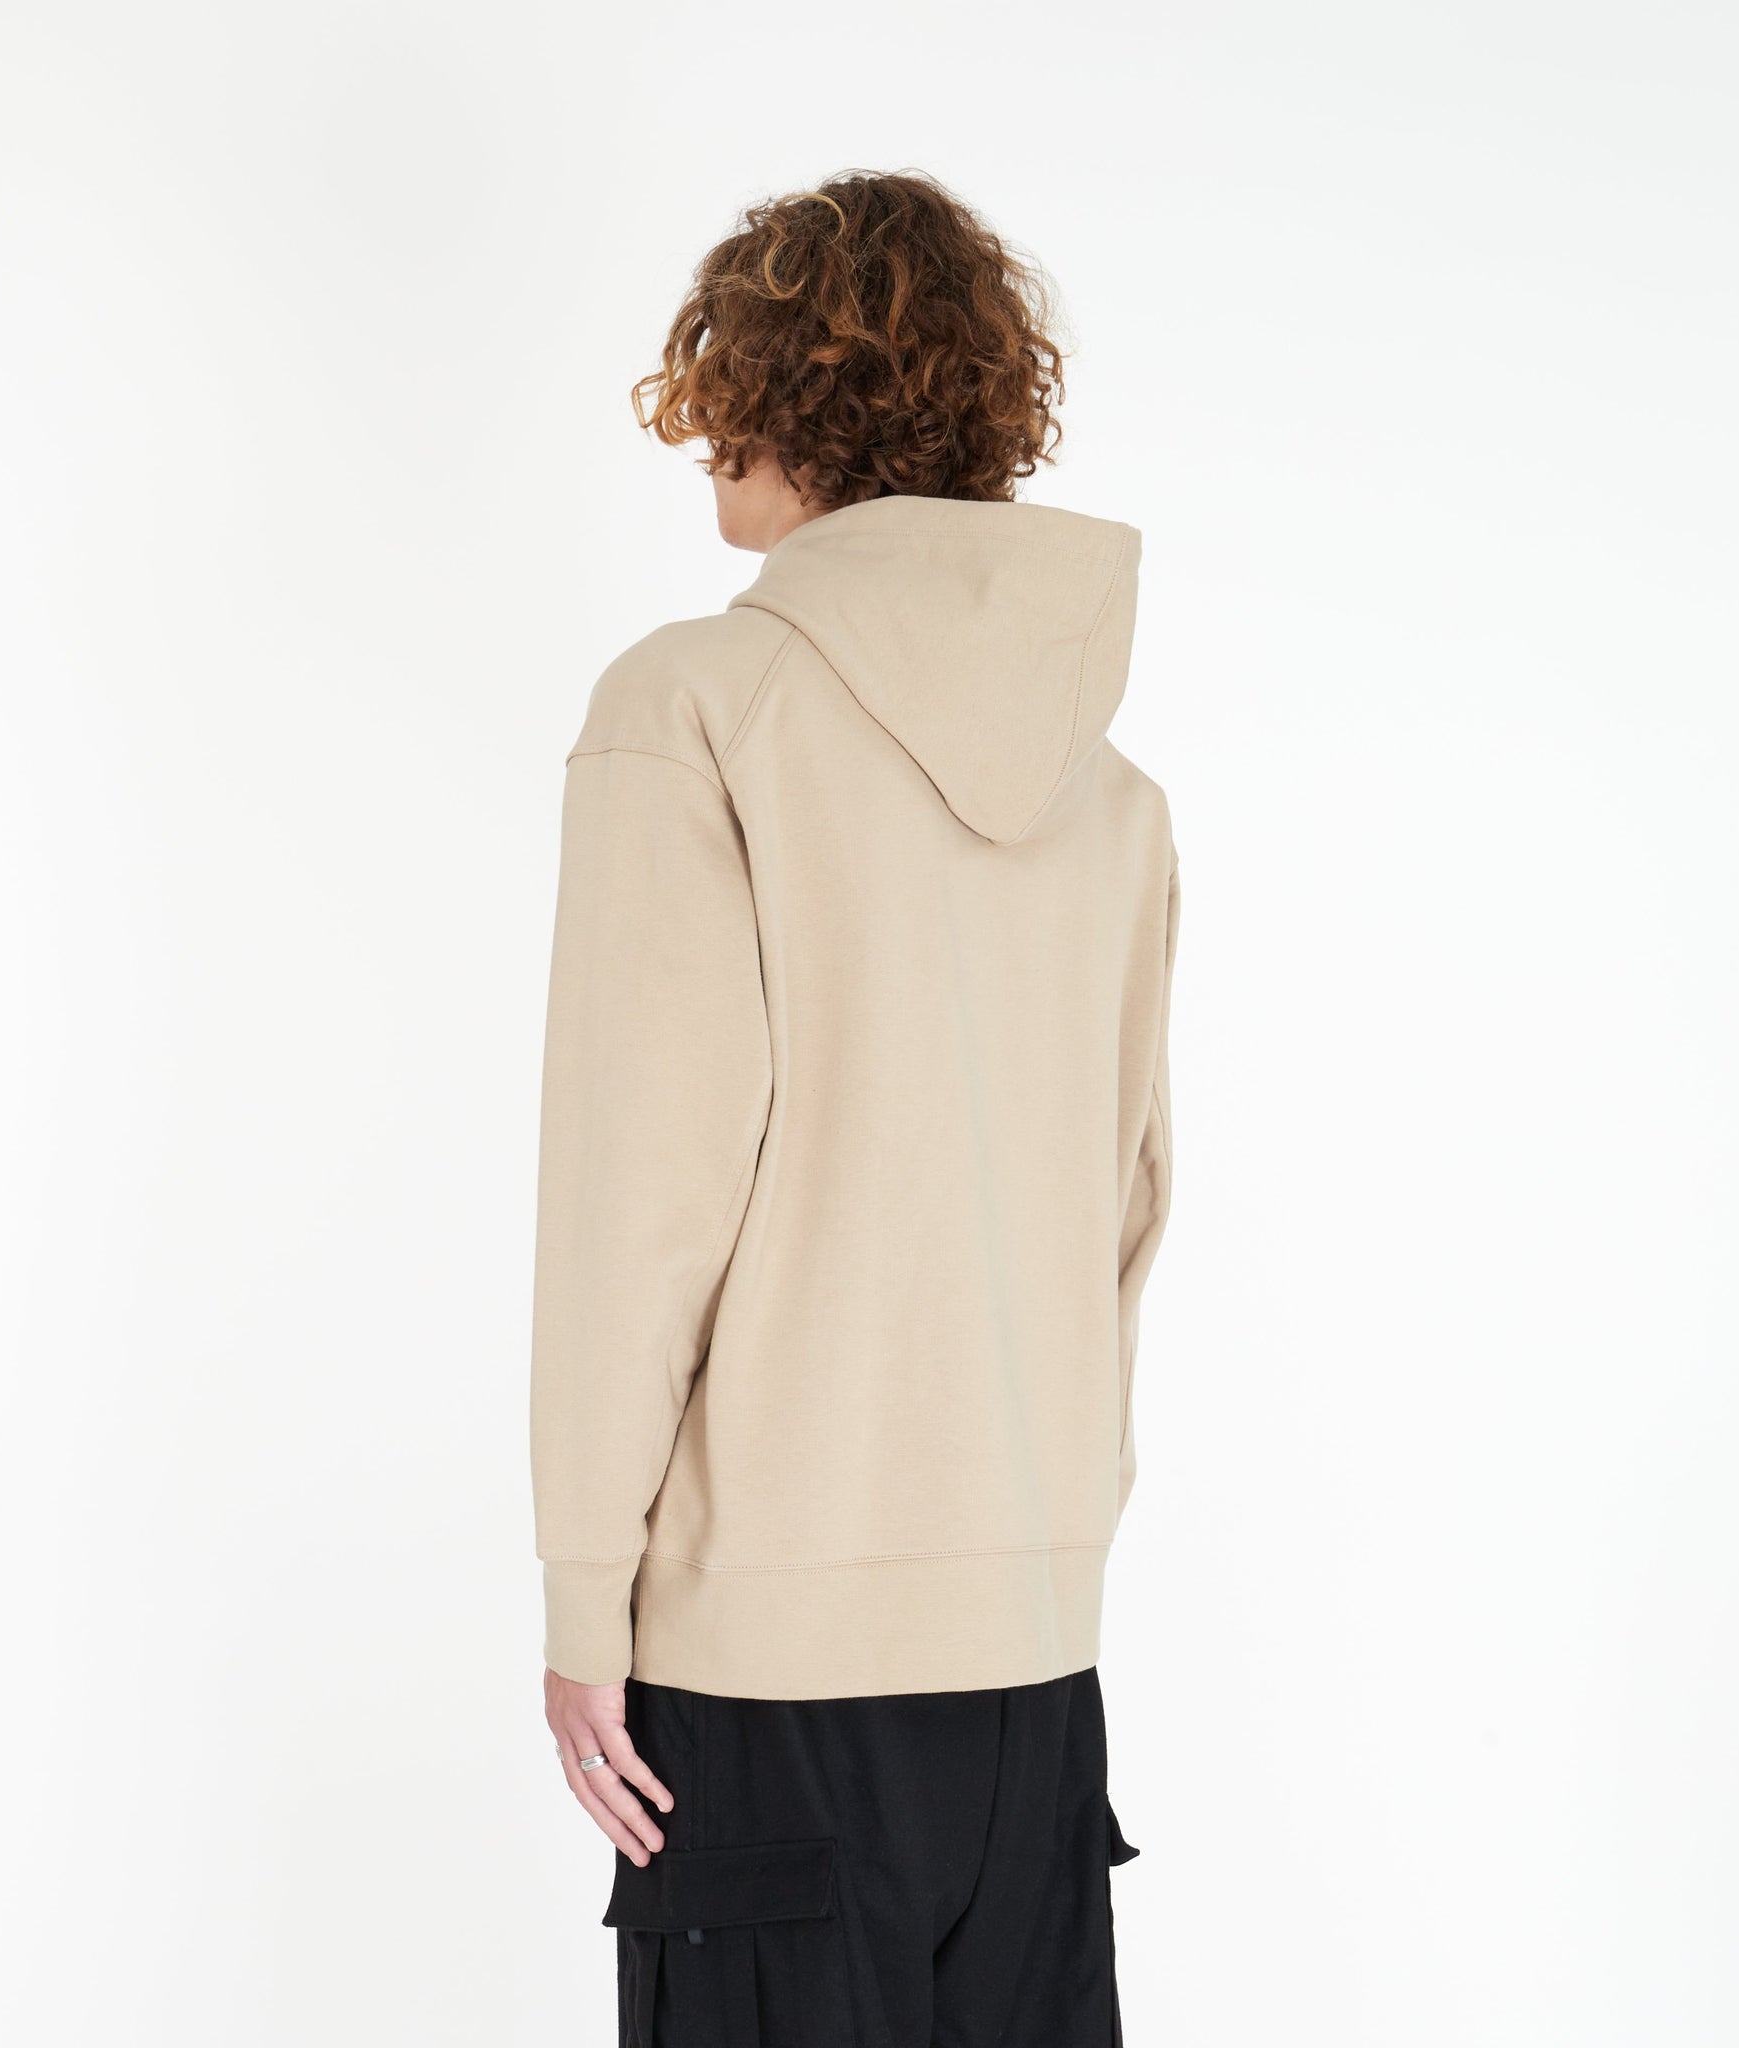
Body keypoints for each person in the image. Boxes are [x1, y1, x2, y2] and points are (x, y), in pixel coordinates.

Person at [530, 169, 1178, 2047]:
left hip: (771, 1671)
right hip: (1036, 1666)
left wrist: (587, 1603)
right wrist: (1041, 1549)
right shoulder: (1113, 792)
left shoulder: (695, 707)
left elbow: (642, 1201)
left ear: (770, 395)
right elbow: (1127, 1209)